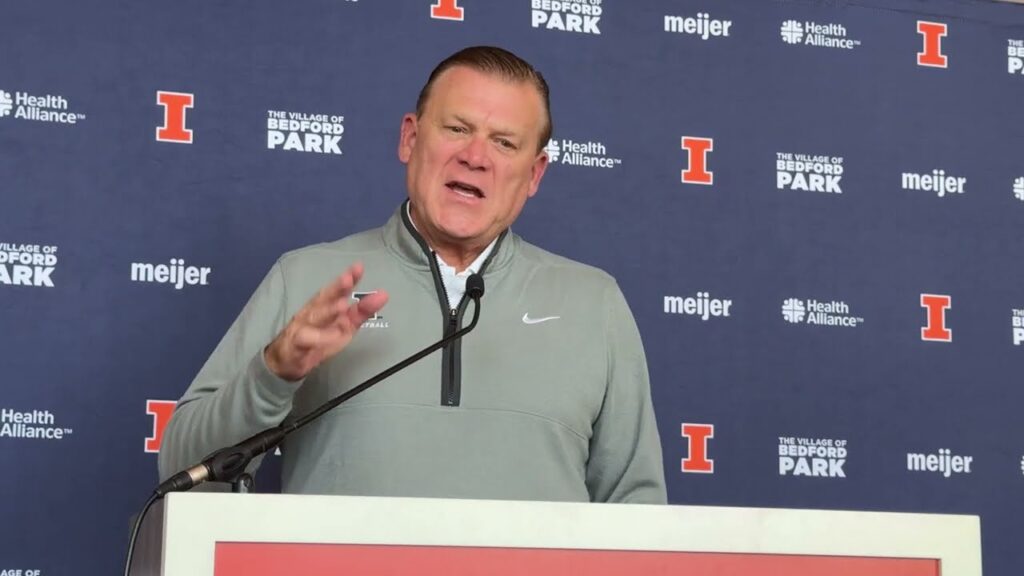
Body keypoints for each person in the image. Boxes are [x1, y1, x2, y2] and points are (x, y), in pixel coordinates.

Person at [158, 46, 666, 504]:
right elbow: (185, 475)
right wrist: (273, 374)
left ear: (534, 175)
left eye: (505, 143)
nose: (475, 156)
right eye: (457, 128)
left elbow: (638, 514)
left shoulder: (594, 302)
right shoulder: (306, 277)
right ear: (410, 138)